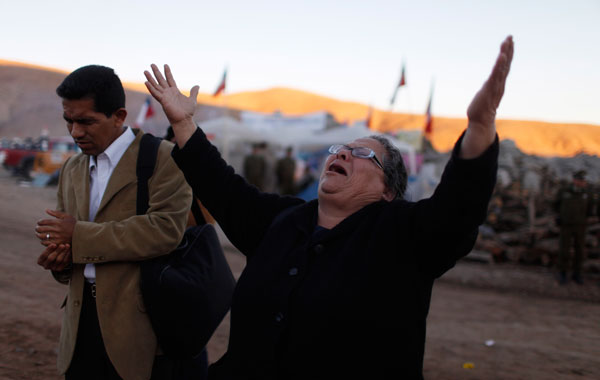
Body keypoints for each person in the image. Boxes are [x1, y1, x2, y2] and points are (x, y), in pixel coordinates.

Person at [144, 36, 513, 379]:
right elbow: (223, 187)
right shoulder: (282, 221)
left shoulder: (405, 235)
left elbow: (458, 209)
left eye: (362, 154)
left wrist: (480, 127)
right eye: (339, 150)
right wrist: (184, 123)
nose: (342, 154)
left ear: (388, 190)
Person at [34, 65, 193, 380]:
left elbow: (165, 231)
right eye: (69, 121)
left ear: (119, 116)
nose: (76, 132)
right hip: (79, 326)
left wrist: (79, 237)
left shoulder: (163, 158)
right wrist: (61, 260)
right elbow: (72, 248)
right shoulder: (72, 169)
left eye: (86, 121)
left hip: (136, 328)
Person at [555, 170, 596, 284]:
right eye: (580, 180)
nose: (582, 182)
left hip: (580, 226)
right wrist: (559, 216)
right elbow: (555, 204)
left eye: (583, 180)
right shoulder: (564, 191)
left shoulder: (587, 193)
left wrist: (587, 218)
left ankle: (577, 274)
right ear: (574, 180)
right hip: (566, 225)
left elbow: (591, 208)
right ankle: (562, 273)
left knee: (579, 250)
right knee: (564, 250)